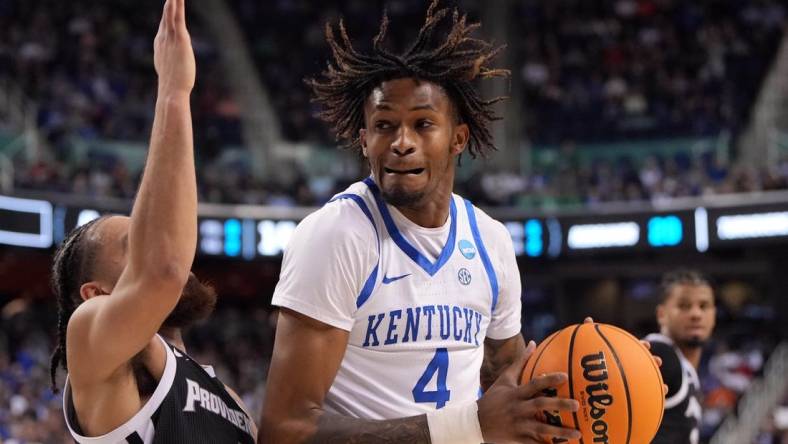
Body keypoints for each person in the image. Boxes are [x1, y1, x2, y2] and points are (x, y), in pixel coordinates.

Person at [260, 1, 582, 443]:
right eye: (384, 126)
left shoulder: (489, 239)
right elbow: (285, 430)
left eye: (423, 124)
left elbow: (512, 376)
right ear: (364, 139)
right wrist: (462, 428)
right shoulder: (337, 235)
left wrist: (598, 371)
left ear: (458, 138)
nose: (401, 143)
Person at [48, 1, 256, 442]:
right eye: (132, 245)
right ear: (96, 294)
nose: (154, 244)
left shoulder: (229, 398)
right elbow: (162, 270)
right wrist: (174, 92)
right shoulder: (91, 341)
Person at [646, 269, 716, 444]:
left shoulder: (687, 367)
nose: (696, 314)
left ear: (713, 314)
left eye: (704, 306)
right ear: (661, 314)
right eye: (684, 306)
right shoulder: (658, 353)